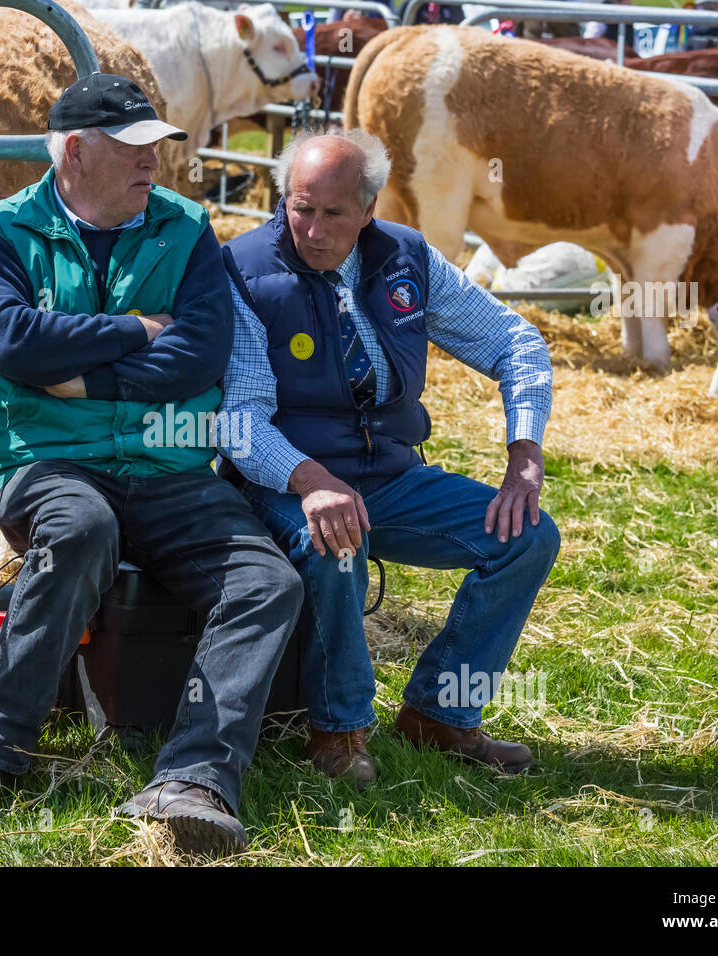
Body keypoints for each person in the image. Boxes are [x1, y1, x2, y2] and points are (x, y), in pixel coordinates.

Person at [0, 73, 304, 856]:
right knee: (80, 529)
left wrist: (83, 370)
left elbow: (198, 352)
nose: (154, 166)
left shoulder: (186, 227)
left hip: (170, 465)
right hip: (49, 463)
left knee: (267, 580)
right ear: (75, 151)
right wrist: (139, 327)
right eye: (135, 150)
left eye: (158, 147)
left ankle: (195, 776)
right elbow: (12, 346)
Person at [218, 131, 561, 789]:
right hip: (282, 476)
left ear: (369, 208)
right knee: (336, 541)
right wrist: (312, 480)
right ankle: (339, 729)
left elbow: (514, 341)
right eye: (300, 208)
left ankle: (441, 711)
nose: (312, 229)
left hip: (388, 475)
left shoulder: (406, 257)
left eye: (333, 213)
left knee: (527, 537)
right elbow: (239, 420)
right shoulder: (243, 270)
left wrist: (524, 454)